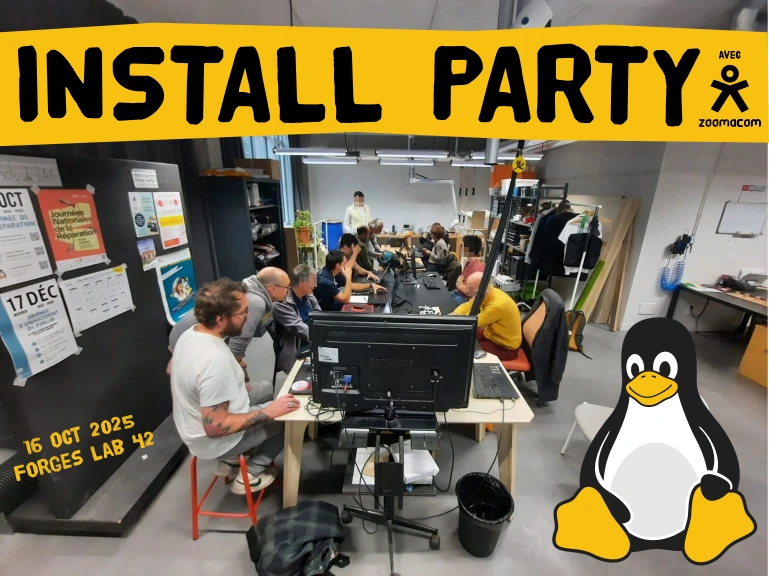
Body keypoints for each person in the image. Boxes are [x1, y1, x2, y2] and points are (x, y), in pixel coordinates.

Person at [170, 278, 300, 495]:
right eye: (243, 312)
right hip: (213, 439)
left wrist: (236, 384)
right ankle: (250, 474)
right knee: (288, 417)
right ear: (220, 319)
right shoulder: (214, 361)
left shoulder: (193, 333)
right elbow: (216, 427)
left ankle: (230, 461)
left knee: (265, 388)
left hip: (195, 422)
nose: (248, 317)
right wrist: (269, 412)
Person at [167, 266, 290, 381]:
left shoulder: (251, 288)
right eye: (287, 287)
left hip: (185, 335)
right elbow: (240, 339)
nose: (288, 291)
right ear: (273, 288)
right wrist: (236, 364)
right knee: (236, 380)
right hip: (188, 342)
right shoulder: (257, 302)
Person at [450, 272, 522, 361]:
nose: (468, 293)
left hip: (504, 348)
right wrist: (454, 314)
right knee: (463, 339)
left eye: (470, 290)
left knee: (466, 350)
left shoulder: (497, 305)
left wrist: (452, 321)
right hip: (490, 334)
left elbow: (471, 322)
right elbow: (468, 304)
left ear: (482, 291)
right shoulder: (488, 292)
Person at [272, 265, 321, 373]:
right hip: (298, 348)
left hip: (313, 339)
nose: (315, 285)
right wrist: (324, 337)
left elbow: (319, 316)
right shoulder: (281, 303)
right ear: (302, 283)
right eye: (312, 282)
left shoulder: (308, 295)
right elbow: (301, 330)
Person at [314, 250, 386, 311]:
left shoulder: (334, 272)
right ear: (338, 265)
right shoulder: (324, 281)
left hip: (331, 302)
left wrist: (371, 285)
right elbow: (345, 299)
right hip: (323, 311)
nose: (347, 265)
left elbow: (351, 285)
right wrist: (348, 277)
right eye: (345, 263)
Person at [450, 235, 486, 305]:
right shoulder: (467, 263)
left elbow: (475, 293)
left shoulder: (478, 268)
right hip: (459, 293)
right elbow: (458, 281)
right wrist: (462, 286)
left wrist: (460, 286)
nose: (461, 248)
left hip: (466, 299)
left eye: (462, 246)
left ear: (467, 249)